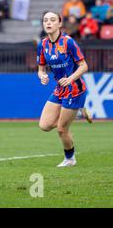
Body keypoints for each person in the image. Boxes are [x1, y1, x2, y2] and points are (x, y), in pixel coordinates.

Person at [37, 11, 89, 167]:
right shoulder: (43, 44)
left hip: (75, 89)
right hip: (60, 89)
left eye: (53, 20)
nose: (48, 23)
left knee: (61, 129)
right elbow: (41, 69)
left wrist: (71, 78)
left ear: (59, 23)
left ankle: (70, 159)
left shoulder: (69, 42)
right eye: (46, 20)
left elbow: (84, 66)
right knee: (44, 125)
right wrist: (42, 76)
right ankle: (78, 113)